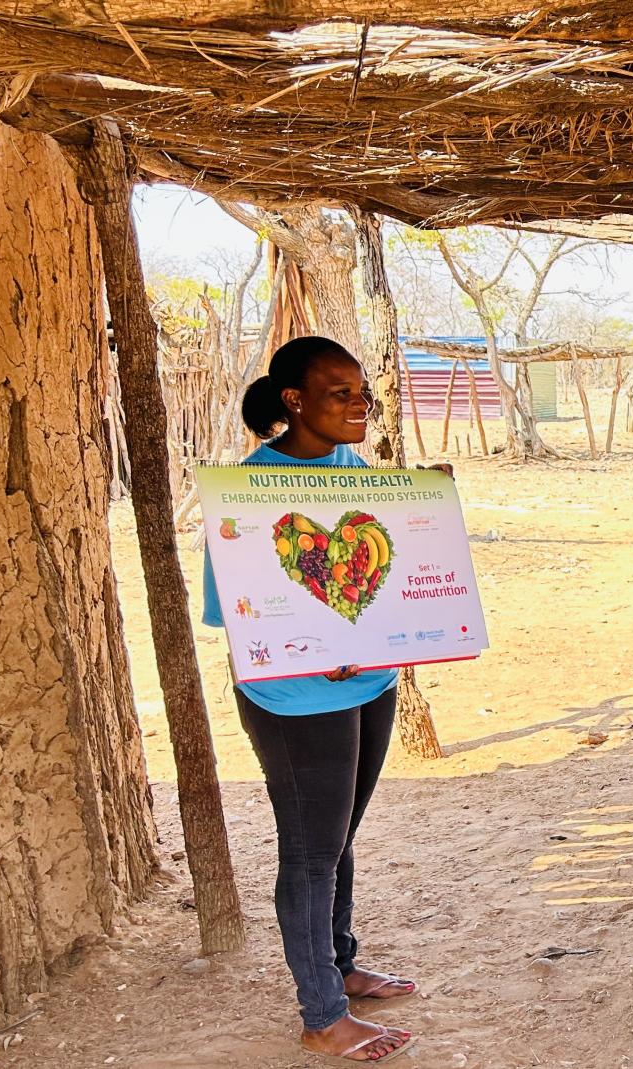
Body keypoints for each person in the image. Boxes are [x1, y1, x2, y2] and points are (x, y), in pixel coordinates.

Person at [199, 337, 437, 1063]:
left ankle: (340, 963)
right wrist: (312, 650)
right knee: (310, 852)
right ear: (294, 402)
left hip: (370, 684)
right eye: (339, 392)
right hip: (297, 698)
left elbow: (382, 579)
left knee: (337, 840)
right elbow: (236, 615)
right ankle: (322, 1012)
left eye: (362, 390)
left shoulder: (355, 470)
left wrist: (431, 520)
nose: (359, 403)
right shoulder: (247, 491)